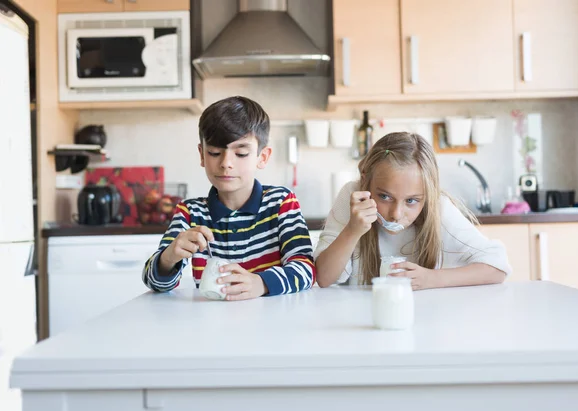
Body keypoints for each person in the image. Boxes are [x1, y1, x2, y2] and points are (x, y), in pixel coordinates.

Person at [142, 96, 315, 300]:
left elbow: (306, 270)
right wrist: (169, 256)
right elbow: (155, 283)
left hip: (273, 323)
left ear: (263, 157)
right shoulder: (190, 214)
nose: (226, 163)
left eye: (240, 153)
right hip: (212, 324)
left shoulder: (281, 203)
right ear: (201, 154)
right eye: (215, 152)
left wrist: (261, 283)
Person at [315, 132, 510, 289]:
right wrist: (352, 230)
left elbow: (497, 267)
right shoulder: (353, 197)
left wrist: (432, 279)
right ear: (365, 180)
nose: (396, 214)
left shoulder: (437, 208)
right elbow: (324, 278)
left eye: (411, 201)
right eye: (384, 196)